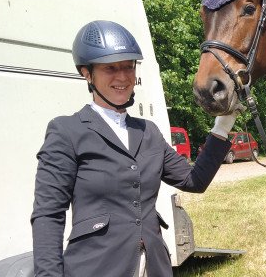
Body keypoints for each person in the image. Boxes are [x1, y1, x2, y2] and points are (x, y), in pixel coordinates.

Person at [31, 20, 240, 277]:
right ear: (86, 73)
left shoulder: (148, 131)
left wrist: (221, 128)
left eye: (128, 67)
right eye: (110, 68)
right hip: (96, 268)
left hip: (154, 267)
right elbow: (48, 215)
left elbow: (193, 180)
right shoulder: (67, 132)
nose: (122, 77)